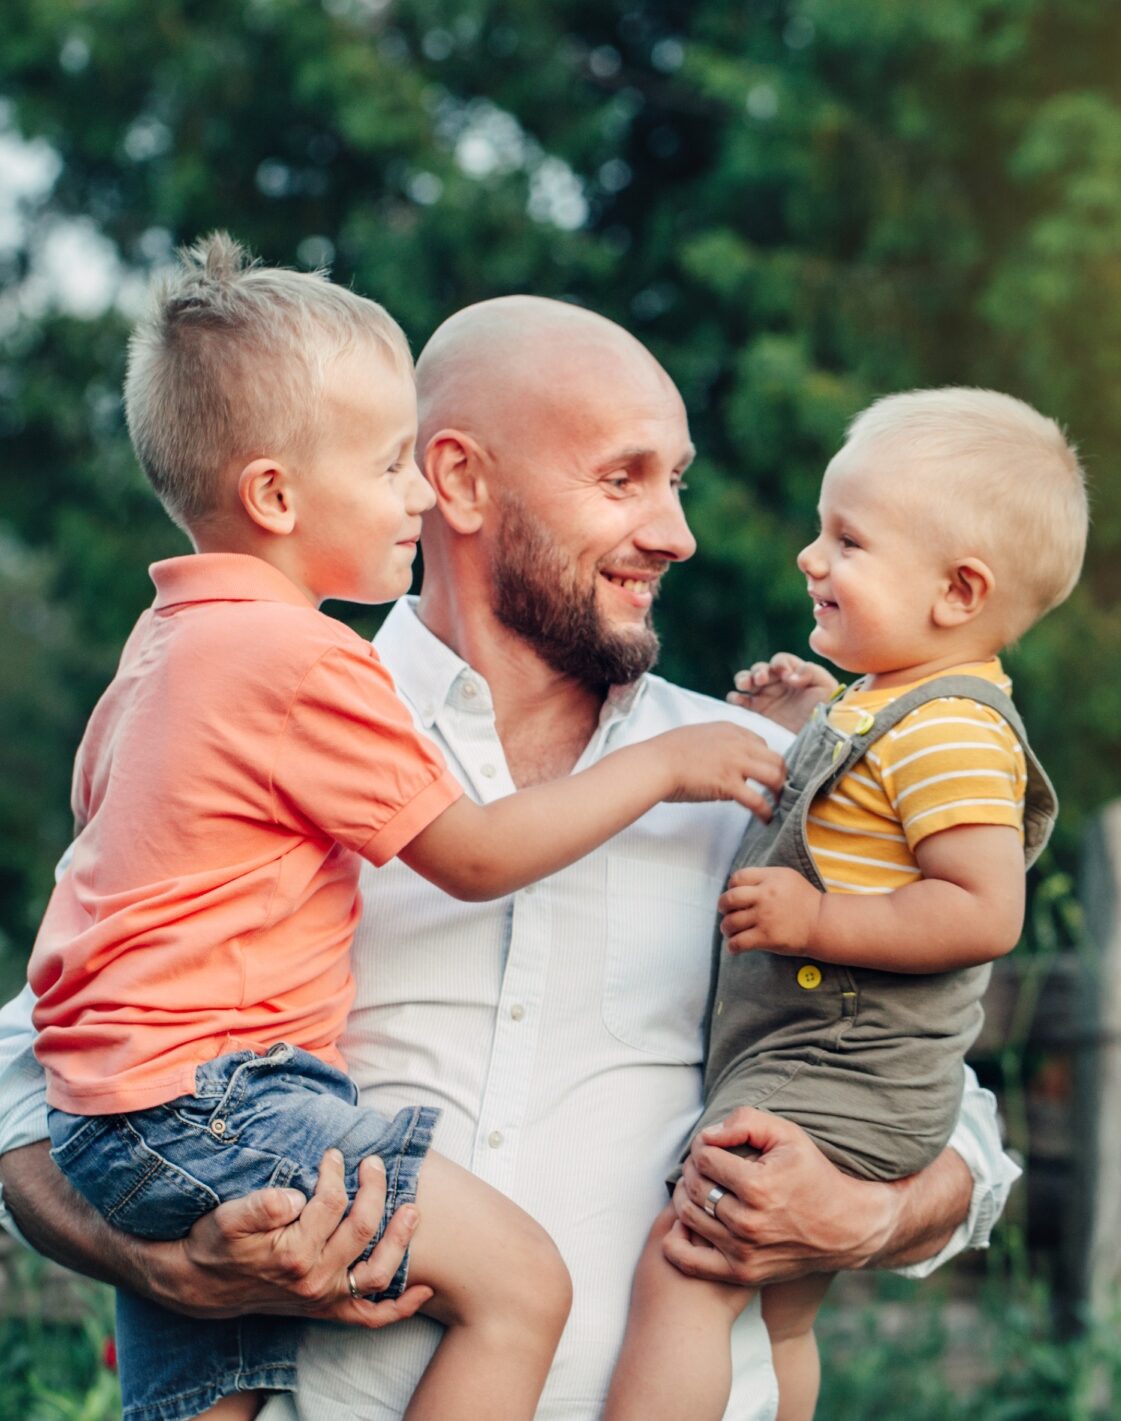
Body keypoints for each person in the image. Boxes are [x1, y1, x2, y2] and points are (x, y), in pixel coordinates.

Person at [0, 299, 1021, 1421]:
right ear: (461, 482)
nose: (676, 533)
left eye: (675, 480)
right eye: (623, 479)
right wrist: (151, 1261)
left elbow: (933, 1089)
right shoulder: (254, 723)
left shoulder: (758, 777)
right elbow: (32, 1075)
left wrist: (866, 1213)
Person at [605, 387, 1086, 1421]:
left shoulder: (955, 729)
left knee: (687, 1263)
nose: (807, 558)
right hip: (815, 1058)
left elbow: (979, 908)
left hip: (843, 1063)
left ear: (957, 591)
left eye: (846, 540)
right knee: (773, 1315)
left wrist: (816, 923)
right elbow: (865, 809)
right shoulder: (888, 703)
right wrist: (810, 719)